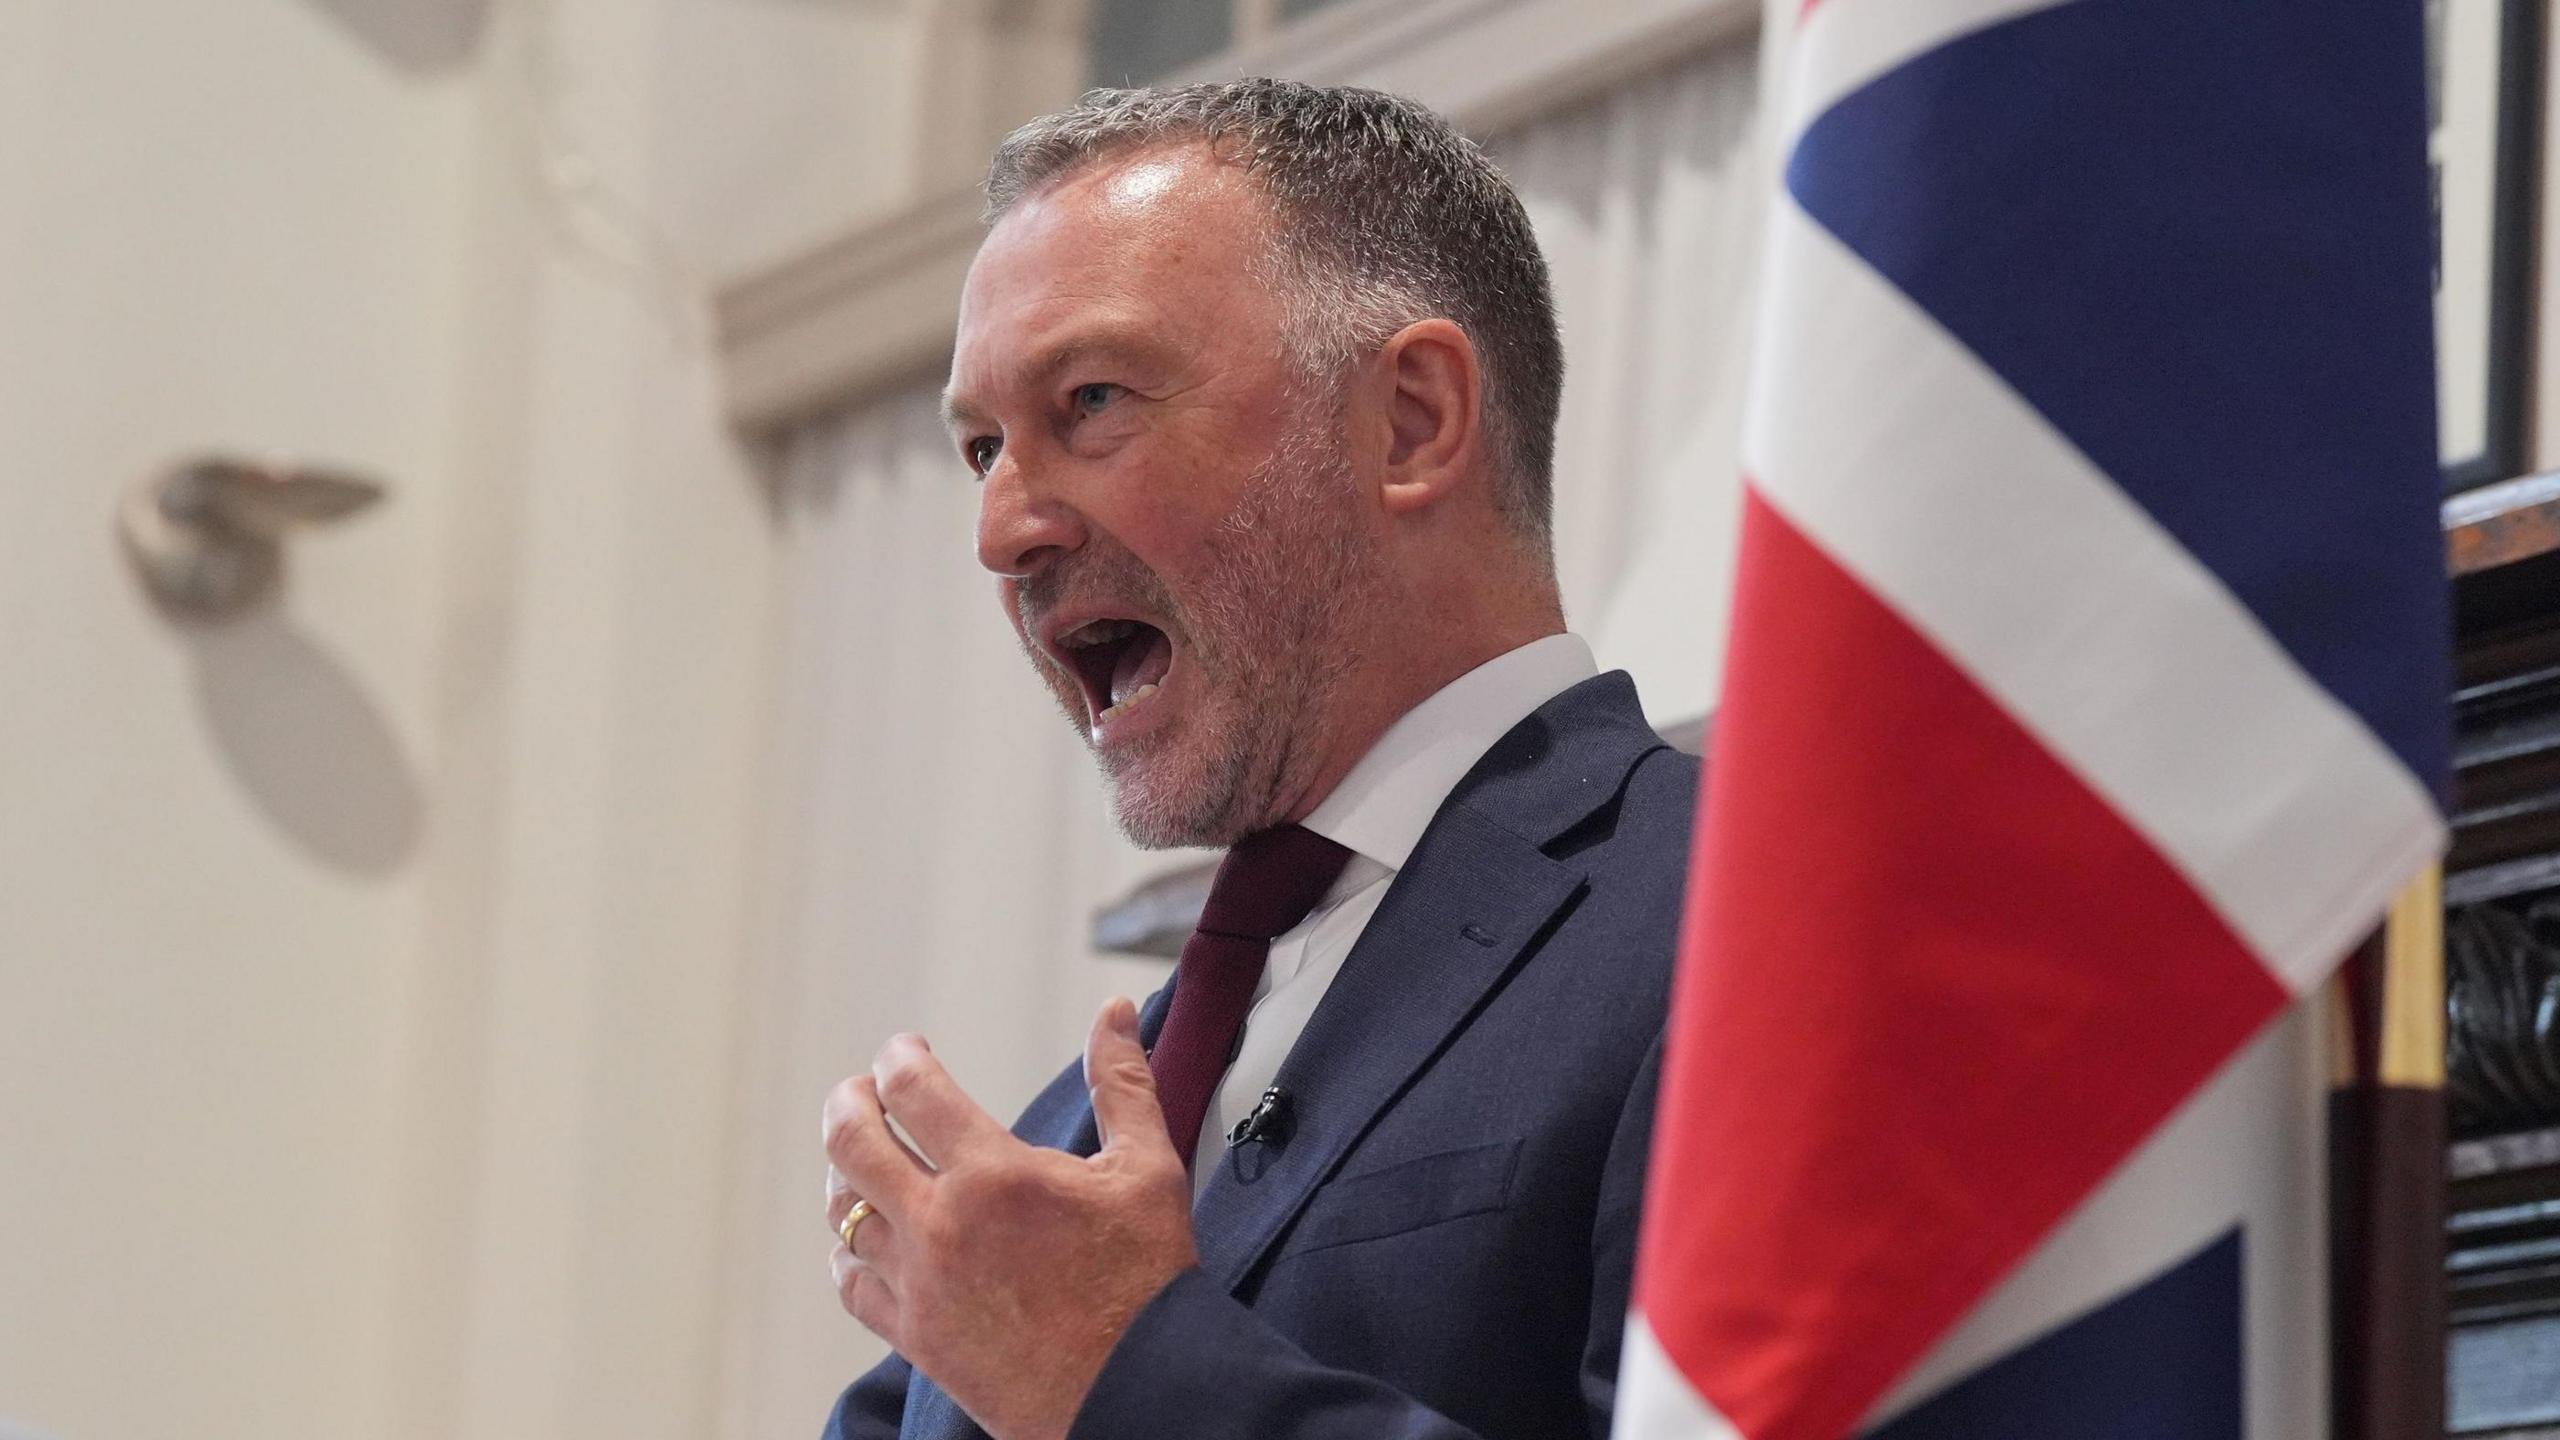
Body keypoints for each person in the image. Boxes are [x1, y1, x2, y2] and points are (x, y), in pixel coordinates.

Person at [819, 78, 1699, 1440]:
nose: (1001, 530)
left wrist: (1127, 1380)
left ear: (1411, 420)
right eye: (983, 446)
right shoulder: (1048, 1164)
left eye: (1090, 400)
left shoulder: (1748, 923)